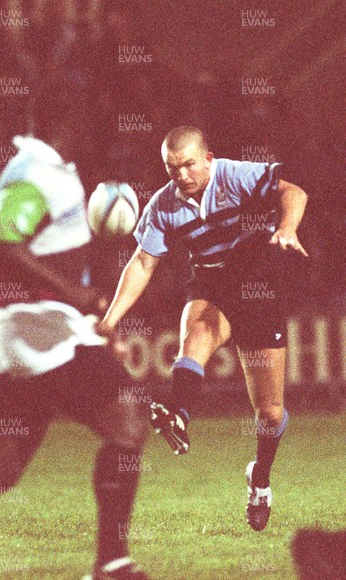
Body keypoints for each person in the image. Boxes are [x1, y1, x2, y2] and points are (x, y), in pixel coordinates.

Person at [0, 134, 169, 580]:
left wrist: (84, 310)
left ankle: (110, 570)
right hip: (35, 328)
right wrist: (73, 296)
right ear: (68, 116)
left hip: (35, 329)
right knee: (127, 422)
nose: (99, 122)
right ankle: (112, 570)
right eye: (88, 110)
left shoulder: (54, 173)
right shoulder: (37, 172)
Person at [97, 125, 309, 532]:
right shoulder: (162, 205)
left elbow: (293, 192)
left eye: (189, 165)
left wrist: (287, 227)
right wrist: (109, 321)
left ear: (208, 159)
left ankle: (260, 477)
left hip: (257, 289)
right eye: (171, 168)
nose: (181, 176)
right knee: (197, 334)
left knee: (269, 412)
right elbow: (143, 263)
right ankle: (178, 413)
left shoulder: (234, 175)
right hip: (211, 284)